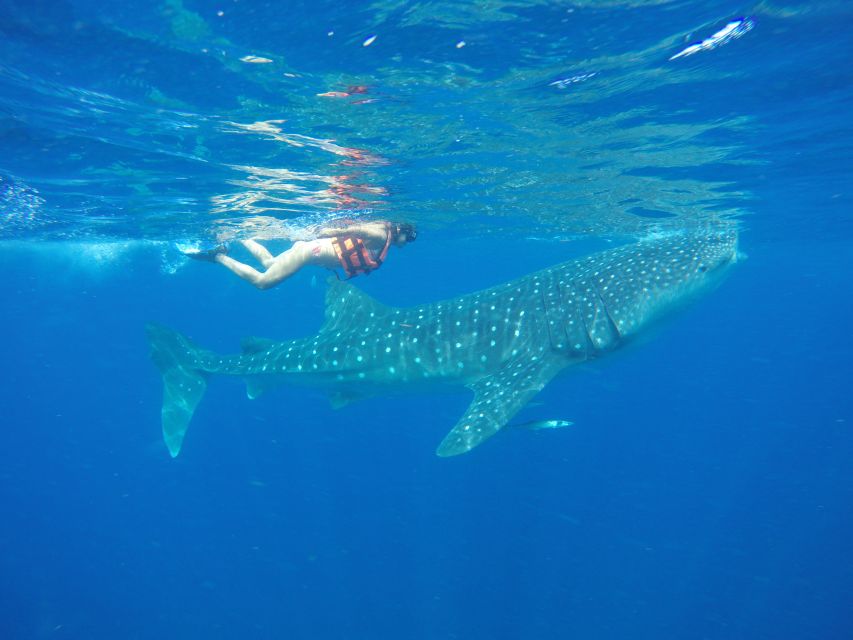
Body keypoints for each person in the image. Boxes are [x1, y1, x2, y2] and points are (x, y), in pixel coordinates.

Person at [188, 220, 416, 290]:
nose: (406, 245)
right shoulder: (379, 235)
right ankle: (217, 256)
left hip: (310, 251)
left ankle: (240, 235)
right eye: (409, 239)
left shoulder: (382, 234)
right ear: (402, 233)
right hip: (310, 253)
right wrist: (330, 231)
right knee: (263, 282)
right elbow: (357, 230)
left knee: (270, 262)